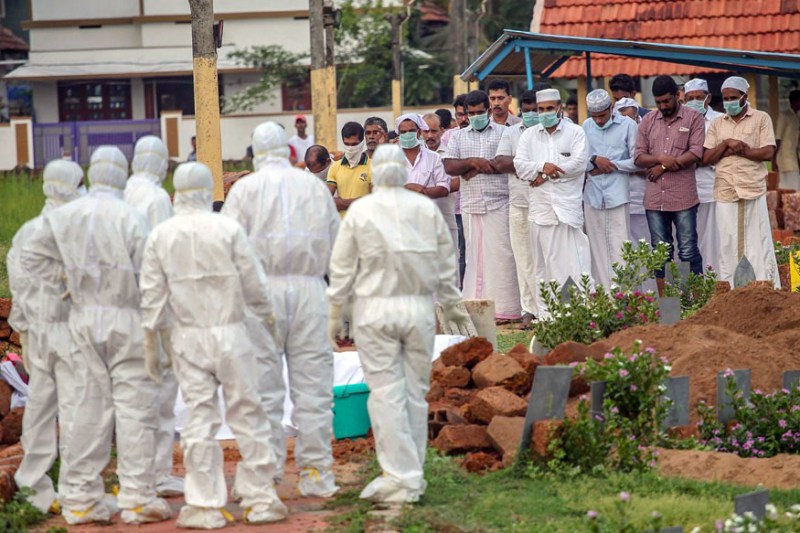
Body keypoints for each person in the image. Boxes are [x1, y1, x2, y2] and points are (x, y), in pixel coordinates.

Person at [22, 146, 170, 525]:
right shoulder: (132, 217)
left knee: (86, 409)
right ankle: (136, 496)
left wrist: (64, 283)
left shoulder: (66, 216)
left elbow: (31, 257)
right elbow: (151, 276)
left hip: (82, 320)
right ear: (121, 173)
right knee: (134, 408)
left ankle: (81, 498)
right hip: (127, 320)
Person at [140, 162, 288, 527]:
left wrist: (150, 341)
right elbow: (254, 284)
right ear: (210, 190)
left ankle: (203, 504)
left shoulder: (162, 235)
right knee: (248, 412)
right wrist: (268, 319)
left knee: (198, 419)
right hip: (232, 334)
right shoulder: (228, 228)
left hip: (187, 337)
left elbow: (152, 297)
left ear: (176, 191)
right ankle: (259, 498)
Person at [327, 144, 466, 503]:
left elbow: (341, 268)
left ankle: (399, 477)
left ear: (374, 172)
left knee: (385, 395)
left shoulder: (361, 212)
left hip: (375, 312)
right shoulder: (424, 209)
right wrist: (451, 305)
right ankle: (412, 476)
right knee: (414, 395)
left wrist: (334, 313)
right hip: (418, 310)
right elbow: (446, 260)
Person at [223, 122, 341, 497]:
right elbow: (336, 244)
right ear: (289, 152)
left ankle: (266, 470)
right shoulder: (312, 186)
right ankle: (316, 474)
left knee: (262, 387)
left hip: (260, 294)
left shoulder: (243, 190)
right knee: (314, 387)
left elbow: (228, 248)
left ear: (255, 153)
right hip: (310, 289)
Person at [7, 160, 83, 514]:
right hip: (70, 330)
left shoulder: (26, 232)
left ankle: (33, 486)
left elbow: (19, 286)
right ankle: (76, 487)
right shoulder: (78, 230)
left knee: (39, 406)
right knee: (76, 407)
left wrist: (24, 326)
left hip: (37, 332)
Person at [122, 135, 184, 498]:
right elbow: (164, 254)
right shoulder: (157, 198)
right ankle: (158, 474)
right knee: (161, 393)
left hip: (123, 305)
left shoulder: (124, 191)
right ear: (160, 162)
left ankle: (136, 472)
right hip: (155, 304)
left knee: (134, 393)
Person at [443, 90, 521, 321]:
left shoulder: (504, 132)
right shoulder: (457, 136)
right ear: (465, 114)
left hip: (499, 201)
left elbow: (506, 162)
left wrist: (471, 168)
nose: (476, 116)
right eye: (471, 113)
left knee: (503, 256)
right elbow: (449, 166)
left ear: (487, 111)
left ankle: (506, 309)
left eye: (480, 112)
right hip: (471, 204)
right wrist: (472, 162)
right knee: (474, 259)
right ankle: (476, 307)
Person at [513, 88, 592, 317]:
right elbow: (520, 165)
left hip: (566, 212)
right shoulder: (529, 135)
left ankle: (574, 313)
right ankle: (549, 316)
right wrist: (540, 167)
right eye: (541, 109)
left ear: (559, 108)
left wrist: (544, 174)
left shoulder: (575, 132)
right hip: (540, 212)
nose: (545, 113)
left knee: (572, 265)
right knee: (543, 267)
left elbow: (578, 164)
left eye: (549, 108)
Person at [703, 76, 780, 287]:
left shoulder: (761, 118)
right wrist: (727, 144)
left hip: (752, 187)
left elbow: (767, 153)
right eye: (726, 98)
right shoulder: (718, 123)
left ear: (745, 97)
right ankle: (731, 290)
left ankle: (764, 287)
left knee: (758, 240)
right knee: (727, 241)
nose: (729, 102)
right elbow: (707, 157)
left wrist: (742, 150)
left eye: (733, 98)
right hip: (725, 189)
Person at [634, 75, 705, 293]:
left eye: (667, 101)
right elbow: (638, 157)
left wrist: (662, 167)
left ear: (677, 95)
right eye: (658, 102)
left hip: (683, 196)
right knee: (661, 253)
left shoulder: (694, 118)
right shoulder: (648, 121)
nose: (663, 106)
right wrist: (662, 159)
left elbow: (695, 152)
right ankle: (669, 306)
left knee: (687, 250)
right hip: (655, 199)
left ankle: (690, 302)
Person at [581, 89, 639, 288]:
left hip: (618, 195)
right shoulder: (585, 127)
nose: (598, 120)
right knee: (597, 250)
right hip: (593, 197)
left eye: (602, 116)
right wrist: (595, 160)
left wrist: (611, 165)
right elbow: (581, 161)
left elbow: (637, 162)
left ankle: (624, 296)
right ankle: (604, 300)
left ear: (611, 108)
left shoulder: (628, 126)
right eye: (594, 116)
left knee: (621, 248)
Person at [494, 88, 541, 327]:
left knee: (547, 258)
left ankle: (549, 309)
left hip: (547, 204)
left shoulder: (551, 133)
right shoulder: (512, 132)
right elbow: (501, 162)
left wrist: (520, 164)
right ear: (521, 109)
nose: (532, 114)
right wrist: (536, 166)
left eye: (536, 110)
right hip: (519, 203)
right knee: (523, 259)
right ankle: (529, 310)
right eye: (528, 110)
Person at [684, 78, 724, 273]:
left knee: (712, 241)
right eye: (690, 98)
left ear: (708, 98)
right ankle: (686, 292)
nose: (695, 101)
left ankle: (713, 284)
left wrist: (697, 158)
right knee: (686, 242)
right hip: (683, 192)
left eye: (699, 97)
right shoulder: (679, 119)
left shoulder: (719, 120)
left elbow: (717, 155)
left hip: (709, 188)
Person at [422, 112, 459, 248]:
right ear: (420, 132)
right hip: (421, 222)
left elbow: (458, 182)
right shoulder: (416, 156)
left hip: (446, 218)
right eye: (426, 131)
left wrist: (426, 189)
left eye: (434, 131)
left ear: (442, 131)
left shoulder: (451, 154)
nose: (430, 136)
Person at [327, 122, 372, 217]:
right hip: (343, 226)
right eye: (346, 144)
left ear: (362, 142)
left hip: (365, 225)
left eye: (354, 144)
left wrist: (341, 203)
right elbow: (327, 200)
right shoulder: (335, 167)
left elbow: (374, 201)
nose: (350, 149)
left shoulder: (373, 166)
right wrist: (360, 201)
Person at [775, 89, 800, 190]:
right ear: (794, 101)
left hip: (794, 158)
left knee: (795, 187)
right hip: (784, 158)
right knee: (790, 188)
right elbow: (778, 138)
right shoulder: (784, 116)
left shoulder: (797, 117)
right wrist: (773, 159)